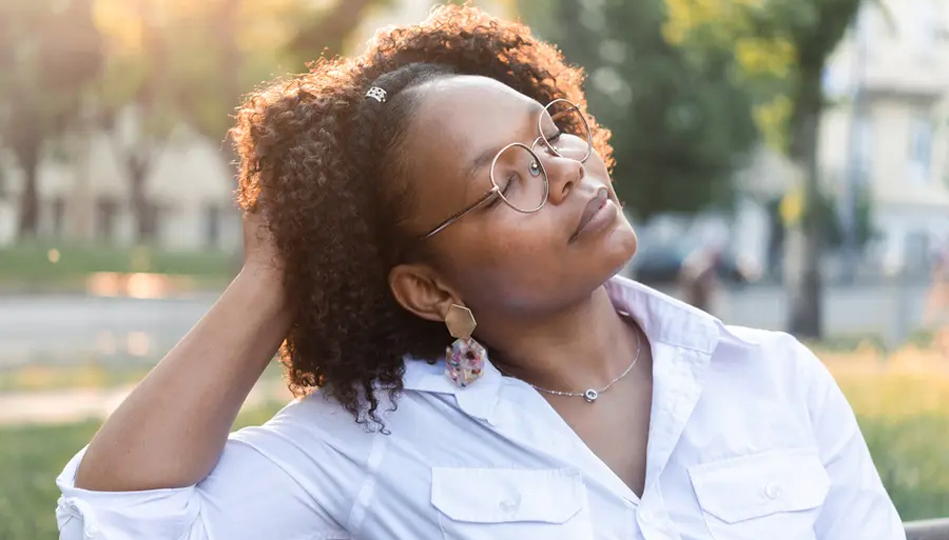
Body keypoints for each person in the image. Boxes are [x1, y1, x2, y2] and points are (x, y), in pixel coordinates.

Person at [56, 5, 905, 539]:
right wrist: (275, 274)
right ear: (429, 289)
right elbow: (125, 520)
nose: (566, 166)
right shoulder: (372, 443)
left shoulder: (773, 379)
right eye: (508, 178)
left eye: (551, 132)